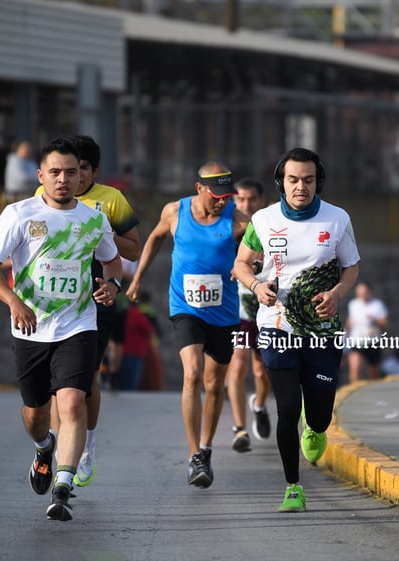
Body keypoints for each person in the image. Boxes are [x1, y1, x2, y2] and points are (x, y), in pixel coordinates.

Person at [0, 137, 122, 522]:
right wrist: (13, 301)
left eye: (71, 173)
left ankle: (63, 482)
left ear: (82, 177)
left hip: (78, 323)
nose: (63, 179)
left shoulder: (94, 218)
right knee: (34, 412)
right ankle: (44, 447)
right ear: (40, 175)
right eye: (55, 172)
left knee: (73, 400)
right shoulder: (19, 214)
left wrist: (112, 285)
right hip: (30, 326)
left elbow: (112, 261)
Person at [233, 147, 360, 513]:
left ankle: (315, 427)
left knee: (318, 414)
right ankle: (293, 487)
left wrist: (337, 293)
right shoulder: (263, 220)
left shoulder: (337, 220)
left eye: (308, 179)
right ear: (281, 182)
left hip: (322, 330)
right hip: (276, 326)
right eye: (293, 180)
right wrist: (257, 287)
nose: (300, 186)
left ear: (317, 181)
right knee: (288, 407)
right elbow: (242, 264)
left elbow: (351, 267)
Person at [127, 161, 249, 489]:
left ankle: (207, 447)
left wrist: (255, 271)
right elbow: (153, 239)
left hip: (223, 313)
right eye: (217, 195)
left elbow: (256, 255)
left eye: (227, 195)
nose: (222, 201)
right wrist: (137, 278)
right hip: (185, 307)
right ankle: (194, 454)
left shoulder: (238, 220)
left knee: (214, 383)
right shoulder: (174, 212)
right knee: (192, 373)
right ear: (199, 188)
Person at [36, 134, 141, 488]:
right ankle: (54, 444)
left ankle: (86, 447)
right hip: (50, 302)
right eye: (66, 169)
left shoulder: (110, 200)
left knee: (84, 382)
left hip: (96, 296)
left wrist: (102, 232)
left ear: (93, 171)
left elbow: (133, 249)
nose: (72, 177)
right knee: (55, 387)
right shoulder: (43, 197)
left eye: (81, 170)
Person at [224, 178, 272, 453]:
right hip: (238, 310)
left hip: (267, 309)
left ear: (261, 201)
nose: (245, 205)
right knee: (239, 365)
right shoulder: (227, 230)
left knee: (261, 372)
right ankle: (240, 428)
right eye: (239, 199)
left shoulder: (270, 226)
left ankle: (260, 405)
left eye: (251, 199)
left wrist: (258, 265)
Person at [345, 282, 389, 382]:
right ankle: (354, 390)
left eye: (364, 293)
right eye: (359, 293)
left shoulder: (377, 304)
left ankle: (373, 391)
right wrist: (347, 335)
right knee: (355, 367)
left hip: (372, 341)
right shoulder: (353, 304)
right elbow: (350, 320)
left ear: (369, 292)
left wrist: (375, 321)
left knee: (373, 370)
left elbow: (385, 323)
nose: (362, 295)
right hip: (356, 340)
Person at [118, 299, 155, 390]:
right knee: (131, 381)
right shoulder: (138, 315)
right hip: (135, 351)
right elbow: (148, 330)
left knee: (123, 378)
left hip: (122, 351)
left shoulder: (122, 314)